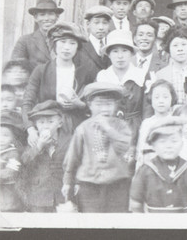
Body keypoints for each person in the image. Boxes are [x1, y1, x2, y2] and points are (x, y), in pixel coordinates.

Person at [62, 82, 132, 213]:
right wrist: (67, 182)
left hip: (117, 185)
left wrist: (107, 128)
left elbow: (124, 146)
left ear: (116, 105)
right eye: (99, 104)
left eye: (109, 104)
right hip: (89, 186)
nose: (104, 109)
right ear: (90, 105)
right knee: (92, 223)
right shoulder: (83, 128)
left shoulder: (121, 126)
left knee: (116, 223)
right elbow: (72, 158)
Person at [22, 22, 95, 146]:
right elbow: (27, 102)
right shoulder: (41, 70)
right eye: (62, 42)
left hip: (76, 127)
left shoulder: (85, 71)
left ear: (77, 47)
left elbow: (93, 104)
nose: (67, 47)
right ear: (54, 44)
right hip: (46, 126)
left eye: (72, 43)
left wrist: (80, 104)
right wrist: (31, 129)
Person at [130, 117, 187, 213]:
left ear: (182, 144)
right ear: (153, 145)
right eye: (162, 141)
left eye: (174, 141)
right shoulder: (145, 171)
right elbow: (136, 205)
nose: (169, 146)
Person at [96, 29, 145, 158]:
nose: (120, 56)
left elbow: (146, 110)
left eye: (124, 51)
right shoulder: (103, 76)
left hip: (135, 128)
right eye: (115, 51)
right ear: (109, 54)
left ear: (131, 53)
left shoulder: (140, 76)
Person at [19, 100, 71, 212]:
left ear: (60, 123)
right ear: (36, 125)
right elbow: (24, 162)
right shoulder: (33, 141)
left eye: (50, 122)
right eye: (41, 123)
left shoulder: (69, 141)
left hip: (61, 194)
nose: (46, 126)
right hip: (38, 195)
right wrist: (39, 146)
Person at [155, 26, 187, 106]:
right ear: (168, 48)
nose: (180, 49)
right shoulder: (160, 75)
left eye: (184, 44)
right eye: (175, 45)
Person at [11, 0, 64, 71]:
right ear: (36, 18)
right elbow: (17, 68)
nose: (46, 18)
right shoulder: (25, 41)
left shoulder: (66, 40)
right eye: (42, 15)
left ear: (57, 17)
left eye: (51, 14)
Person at [135, 79, 178, 168]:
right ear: (151, 99)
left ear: (172, 98)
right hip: (150, 166)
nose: (161, 101)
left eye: (165, 97)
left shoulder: (175, 122)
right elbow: (141, 150)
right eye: (156, 97)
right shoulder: (147, 123)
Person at [74, 5, 113, 75]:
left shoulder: (112, 46)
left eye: (105, 23)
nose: (101, 27)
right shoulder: (79, 47)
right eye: (96, 23)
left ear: (109, 25)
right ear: (88, 24)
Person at [0, 111, 25, 212]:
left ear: (12, 138)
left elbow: (11, 171)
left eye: (5, 135)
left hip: (8, 195)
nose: (0, 139)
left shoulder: (13, 154)